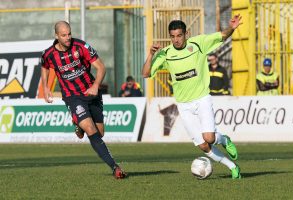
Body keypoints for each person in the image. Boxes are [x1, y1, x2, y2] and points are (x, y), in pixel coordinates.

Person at [142, 15, 242, 179]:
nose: (176, 40)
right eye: (172, 36)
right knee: (203, 145)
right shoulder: (165, 54)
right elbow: (145, 73)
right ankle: (232, 167)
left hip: (202, 98)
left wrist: (232, 27)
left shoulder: (198, 44)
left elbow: (222, 36)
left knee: (209, 137)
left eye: (179, 35)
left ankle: (224, 140)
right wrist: (151, 55)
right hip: (183, 105)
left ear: (186, 34)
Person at [40, 21, 126, 179]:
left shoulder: (81, 47)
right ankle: (115, 167)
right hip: (72, 96)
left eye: (69, 34)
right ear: (56, 36)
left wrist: (95, 86)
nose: (68, 38)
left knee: (99, 133)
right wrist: (45, 87)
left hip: (91, 93)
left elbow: (101, 67)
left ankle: (78, 125)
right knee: (90, 129)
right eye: (64, 35)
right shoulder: (49, 54)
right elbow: (44, 66)